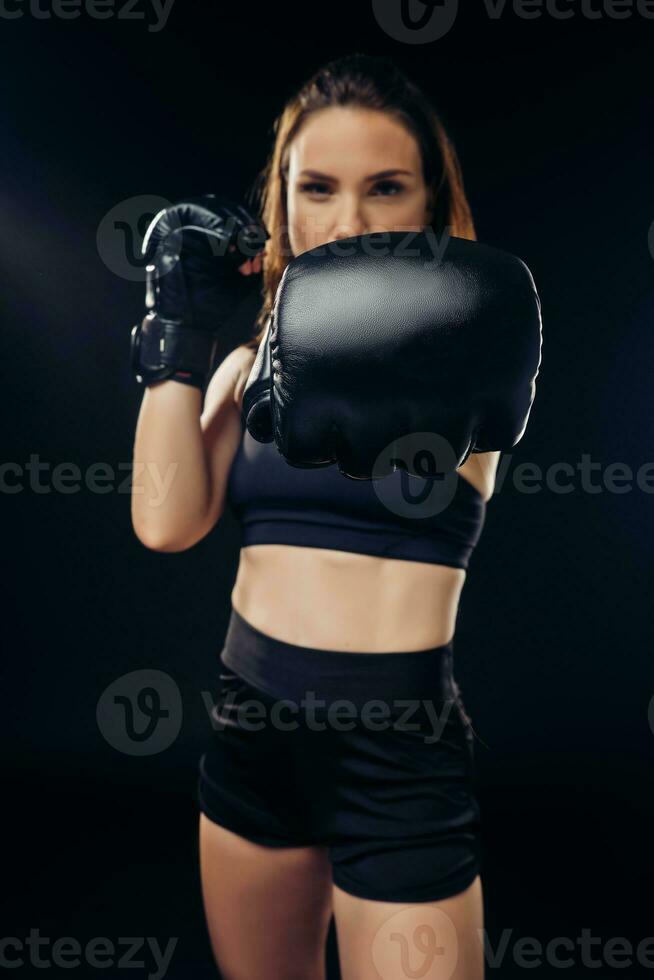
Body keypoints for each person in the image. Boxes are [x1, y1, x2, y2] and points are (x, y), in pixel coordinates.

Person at [131, 52, 513, 980]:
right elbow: (165, 522)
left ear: (430, 203)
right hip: (251, 733)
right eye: (318, 188)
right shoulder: (250, 363)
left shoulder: (474, 341)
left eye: (386, 188)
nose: (349, 220)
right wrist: (177, 349)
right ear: (283, 205)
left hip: (395, 753)